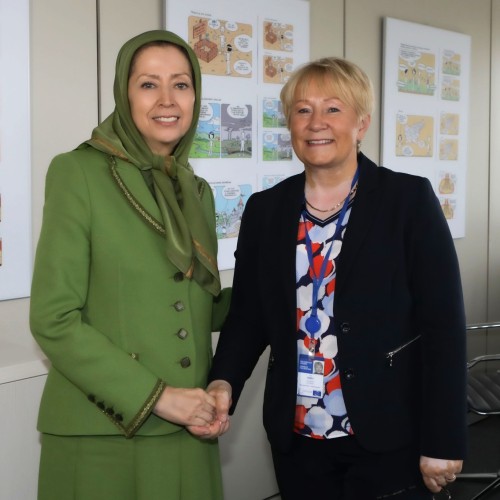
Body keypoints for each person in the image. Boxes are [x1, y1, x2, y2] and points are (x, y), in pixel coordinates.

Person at [207, 57, 467, 499]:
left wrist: (443, 440)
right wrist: (223, 381)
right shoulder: (266, 210)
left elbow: (443, 327)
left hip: (387, 432)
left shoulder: (407, 200)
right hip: (297, 437)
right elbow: (248, 315)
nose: (315, 123)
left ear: (361, 123)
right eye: (303, 110)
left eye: (333, 109)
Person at [30, 30, 231, 500]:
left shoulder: (196, 192)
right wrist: (158, 397)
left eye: (181, 84)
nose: (167, 100)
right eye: (148, 84)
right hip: (104, 436)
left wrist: (288, 288)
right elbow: (53, 318)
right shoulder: (77, 172)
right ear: (124, 91)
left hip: (190, 431)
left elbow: (197, 302)